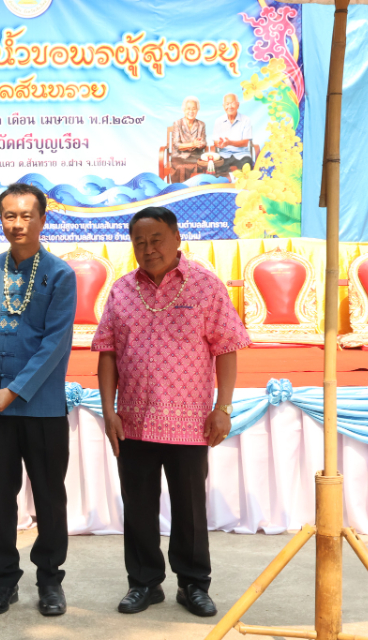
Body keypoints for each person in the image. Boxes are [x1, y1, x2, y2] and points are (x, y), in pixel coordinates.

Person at [92, 206, 251, 618]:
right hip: (133, 420)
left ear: (177, 238)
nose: (148, 248)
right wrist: (109, 411)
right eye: (139, 242)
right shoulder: (122, 290)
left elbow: (226, 348)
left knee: (190, 509)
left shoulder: (206, 286)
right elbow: (107, 352)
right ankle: (144, 583)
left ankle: (193, 584)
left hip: (191, 421)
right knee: (138, 508)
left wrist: (223, 407)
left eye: (156, 239)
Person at [0, 183, 77, 617]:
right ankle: (3, 581)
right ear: (1, 219)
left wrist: (15, 391)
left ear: (42, 219)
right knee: (0, 497)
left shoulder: (60, 274)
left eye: (27, 216)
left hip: (42, 407)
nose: (18, 224)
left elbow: (55, 344)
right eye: (10, 215)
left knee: (49, 497)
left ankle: (50, 581)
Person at [213, 93, 254, 172]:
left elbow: (245, 143)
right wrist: (219, 143)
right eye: (227, 104)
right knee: (217, 170)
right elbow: (216, 142)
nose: (230, 106)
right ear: (223, 106)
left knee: (247, 169)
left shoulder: (246, 120)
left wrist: (229, 143)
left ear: (238, 105)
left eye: (232, 103)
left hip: (242, 155)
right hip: (224, 155)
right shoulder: (218, 121)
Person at [170, 96, 207, 183]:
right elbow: (176, 145)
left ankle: (196, 189)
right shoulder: (177, 123)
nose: (191, 111)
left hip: (195, 156)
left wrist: (200, 144)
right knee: (180, 167)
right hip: (179, 156)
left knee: (200, 165)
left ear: (197, 110)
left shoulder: (201, 124)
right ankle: (180, 189)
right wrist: (193, 144)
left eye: (194, 109)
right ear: (184, 110)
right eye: (188, 108)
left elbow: (203, 142)